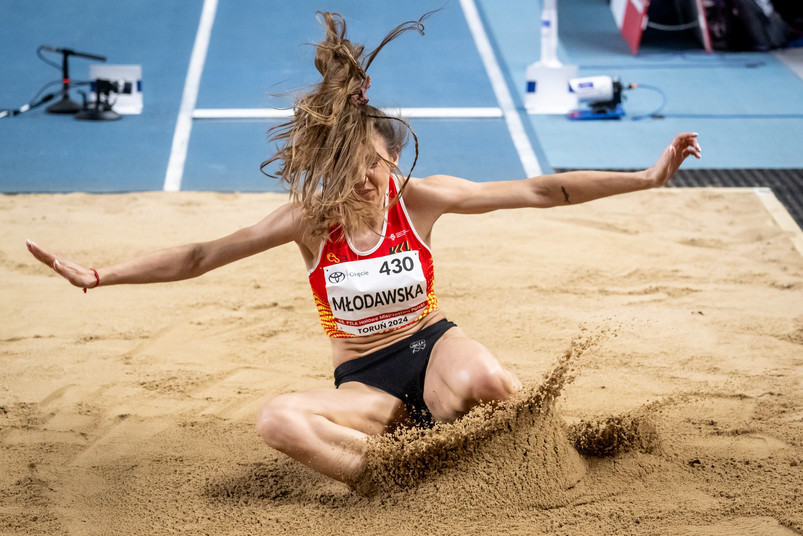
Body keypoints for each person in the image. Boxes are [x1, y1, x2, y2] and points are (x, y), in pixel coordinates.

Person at [26, 11, 701, 491]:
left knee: (492, 382)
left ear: (391, 160)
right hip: (366, 383)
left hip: (433, 346)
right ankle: (392, 483)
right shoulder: (309, 222)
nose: (363, 181)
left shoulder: (420, 199)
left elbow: (538, 190)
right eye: (348, 167)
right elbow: (202, 255)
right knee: (278, 421)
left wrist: (643, 177)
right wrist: (100, 276)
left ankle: (543, 454)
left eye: (374, 166)